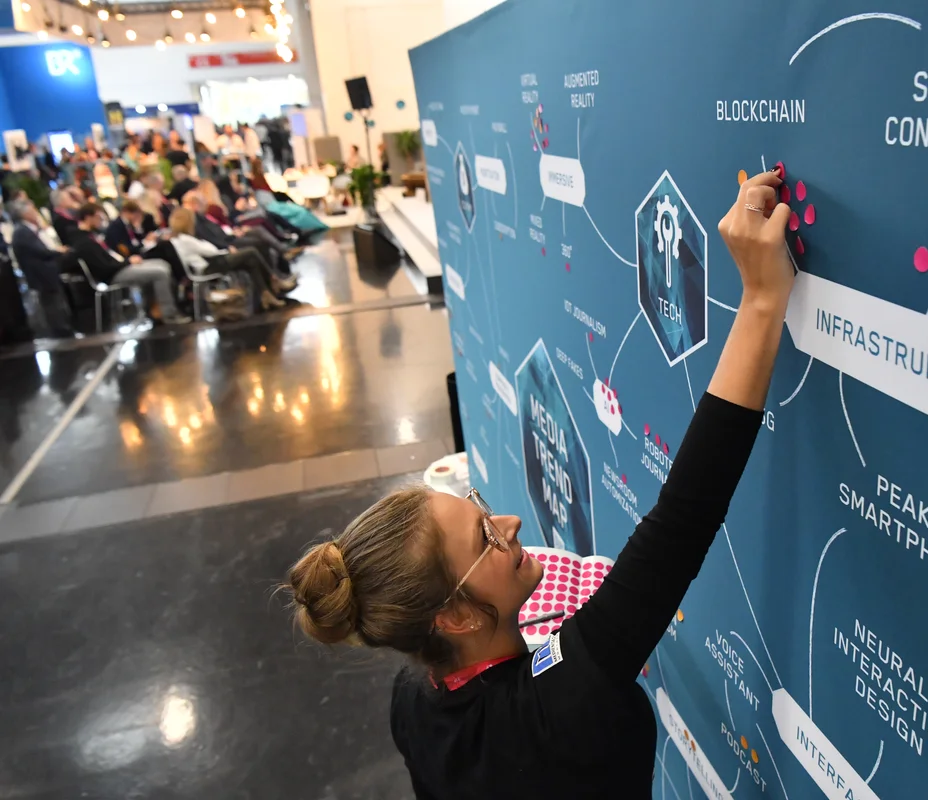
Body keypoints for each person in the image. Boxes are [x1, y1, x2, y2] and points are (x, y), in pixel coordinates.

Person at [283, 168, 794, 798]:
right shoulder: (558, 703)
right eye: (484, 539)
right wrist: (763, 297)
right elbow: (682, 519)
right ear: (456, 616)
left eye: (480, 509)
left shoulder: (414, 699)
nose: (509, 524)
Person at [68, 202, 189, 325]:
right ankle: (169, 314)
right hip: (114, 274)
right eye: (99, 217)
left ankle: (154, 310)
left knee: (161, 264)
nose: (101, 221)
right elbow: (104, 267)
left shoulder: (91, 236)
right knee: (159, 273)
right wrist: (127, 262)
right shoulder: (84, 242)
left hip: (119, 267)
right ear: (89, 217)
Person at [167, 208, 287, 310]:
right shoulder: (186, 240)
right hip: (210, 267)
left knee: (251, 261)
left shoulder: (179, 239)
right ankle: (273, 280)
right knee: (251, 252)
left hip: (211, 263)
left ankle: (266, 293)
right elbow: (211, 250)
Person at [182, 190, 298, 281]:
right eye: (202, 202)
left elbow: (216, 232)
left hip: (226, 240)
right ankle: (274, 278)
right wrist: (226, 246)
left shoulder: (200, 217)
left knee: (259, 233)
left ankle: (274, 278)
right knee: (256, 244)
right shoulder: (196, 219)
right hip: (222, 249)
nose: (205, 204)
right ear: (195, 204)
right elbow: (210, 238)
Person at [10, 199, 74, 336]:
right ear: (25, 215)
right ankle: (59, 331)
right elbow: (41, 251)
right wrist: (59, 251)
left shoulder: (29, 230)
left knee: (55, 301)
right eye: (33, 211)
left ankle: (63, 328)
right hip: (40, 274)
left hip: (46, 272)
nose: (36, 214)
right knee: (51, 304)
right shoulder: (22, 232)